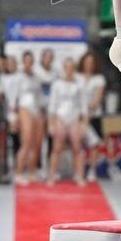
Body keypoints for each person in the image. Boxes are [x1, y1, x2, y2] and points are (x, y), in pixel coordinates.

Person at [46, 58, 88, 186]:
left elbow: (83, 106)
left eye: (71, 67)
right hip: (60, 118)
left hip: (74, 118)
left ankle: (79, 175)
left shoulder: (79, 84)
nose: (69, 70)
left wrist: (84, 123)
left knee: (77, 148)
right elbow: (52, 105)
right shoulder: (57, 84)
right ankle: (52, 175)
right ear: (64, 68)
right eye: (67, 67)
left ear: (74, 68)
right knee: (56, 148)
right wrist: (51, 124)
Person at [14, 51, 45, 185]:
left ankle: (32, 172)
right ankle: (19, 173)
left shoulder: (36, 77)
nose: (29, 63)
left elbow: (40, 96)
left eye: (31, 60)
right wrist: (14, 116)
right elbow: (12, 97)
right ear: (23, 61)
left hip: (36, 109)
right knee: (26, 143)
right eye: (26, 60)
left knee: (36, 144)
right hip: (24, 108)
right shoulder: (18, 77)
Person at [78, 51, 107, 182]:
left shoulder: (99, 79)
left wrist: (87, 115)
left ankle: (92, 171)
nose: (89, 65)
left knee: (94, 143)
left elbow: (97, 100)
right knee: (78, 144)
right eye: (87, 62)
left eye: (91, 63)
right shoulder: (76, 76)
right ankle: (79, 171)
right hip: (78, 115)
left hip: (94, 116)